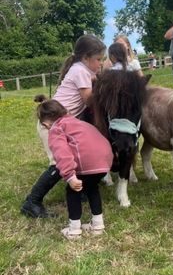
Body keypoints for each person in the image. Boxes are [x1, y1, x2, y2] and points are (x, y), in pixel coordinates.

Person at [21, 34, 106, 218]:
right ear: (85, 58)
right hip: (51, 125)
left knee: (74, 156)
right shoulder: (80, 71)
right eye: (98, 59)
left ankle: (80, 190)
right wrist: (102, 88)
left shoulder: (84, 70)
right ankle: (32, 202)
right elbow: (89, 100)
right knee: (59, 163)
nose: (100, 63)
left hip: (61, 123)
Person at [37, 99, 113, 240]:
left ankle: (74, 230)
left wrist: (70, 176)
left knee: (72, 191)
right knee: (92, 188)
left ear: (45, 123)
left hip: (88, 164)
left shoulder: (56, 128)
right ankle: (97, 225)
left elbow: (62, 154)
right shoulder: (78, 122)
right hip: (104, 163)